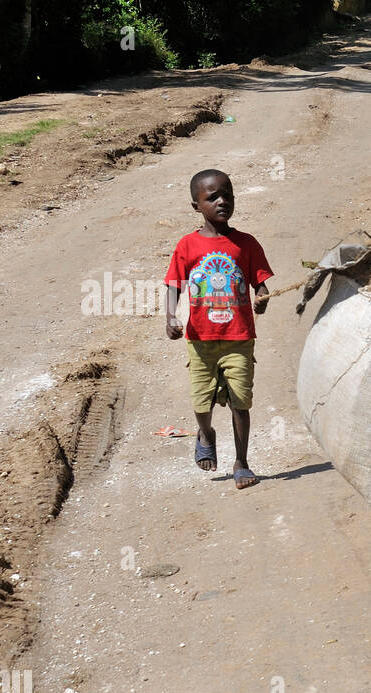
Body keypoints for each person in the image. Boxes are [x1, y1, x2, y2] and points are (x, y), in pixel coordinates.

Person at [164, 169, 272, 489]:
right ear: (196, 206)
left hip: (239, 338)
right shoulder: (187, 245)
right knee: (202, 401)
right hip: (200, 340)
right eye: (212, 197)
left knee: (241, 401)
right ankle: (206, 433)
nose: (222, 201)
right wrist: (170, 316)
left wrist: (263, 297)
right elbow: (173, 284)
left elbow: (261, 283)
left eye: (227, 195)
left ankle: (242, 462)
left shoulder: (246, 244)